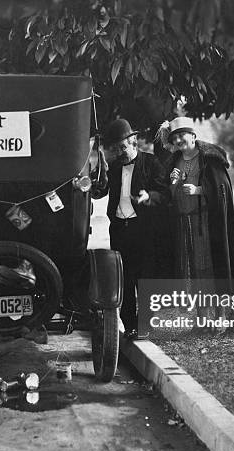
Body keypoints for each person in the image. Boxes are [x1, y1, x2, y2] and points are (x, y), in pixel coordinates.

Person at [157, 116, 234, 312]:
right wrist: (173, 183)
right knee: (192, 272)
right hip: (183, 224)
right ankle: (201, 318)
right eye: (175, 138)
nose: (179, 140)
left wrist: (198, 190)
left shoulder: (210, 159)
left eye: (182, 135)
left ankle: (218, 317)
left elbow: (221, 189)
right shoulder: (174, 161)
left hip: (206, 224)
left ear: (193, 135)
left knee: (210, 270)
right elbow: (168, 194)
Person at [92, 118, 169, 338]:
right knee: (123, 281)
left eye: (123, 147)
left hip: (143, 229)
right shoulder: (115, 166)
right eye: (116, 149)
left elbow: (164, 194)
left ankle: (146, 326)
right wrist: (100, 172)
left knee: (145, 279)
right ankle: (131, 326)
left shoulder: (152, 163)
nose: (120, 152)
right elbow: (101, 191)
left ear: (134, 142)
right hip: (119, 230)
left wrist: (149, 196)